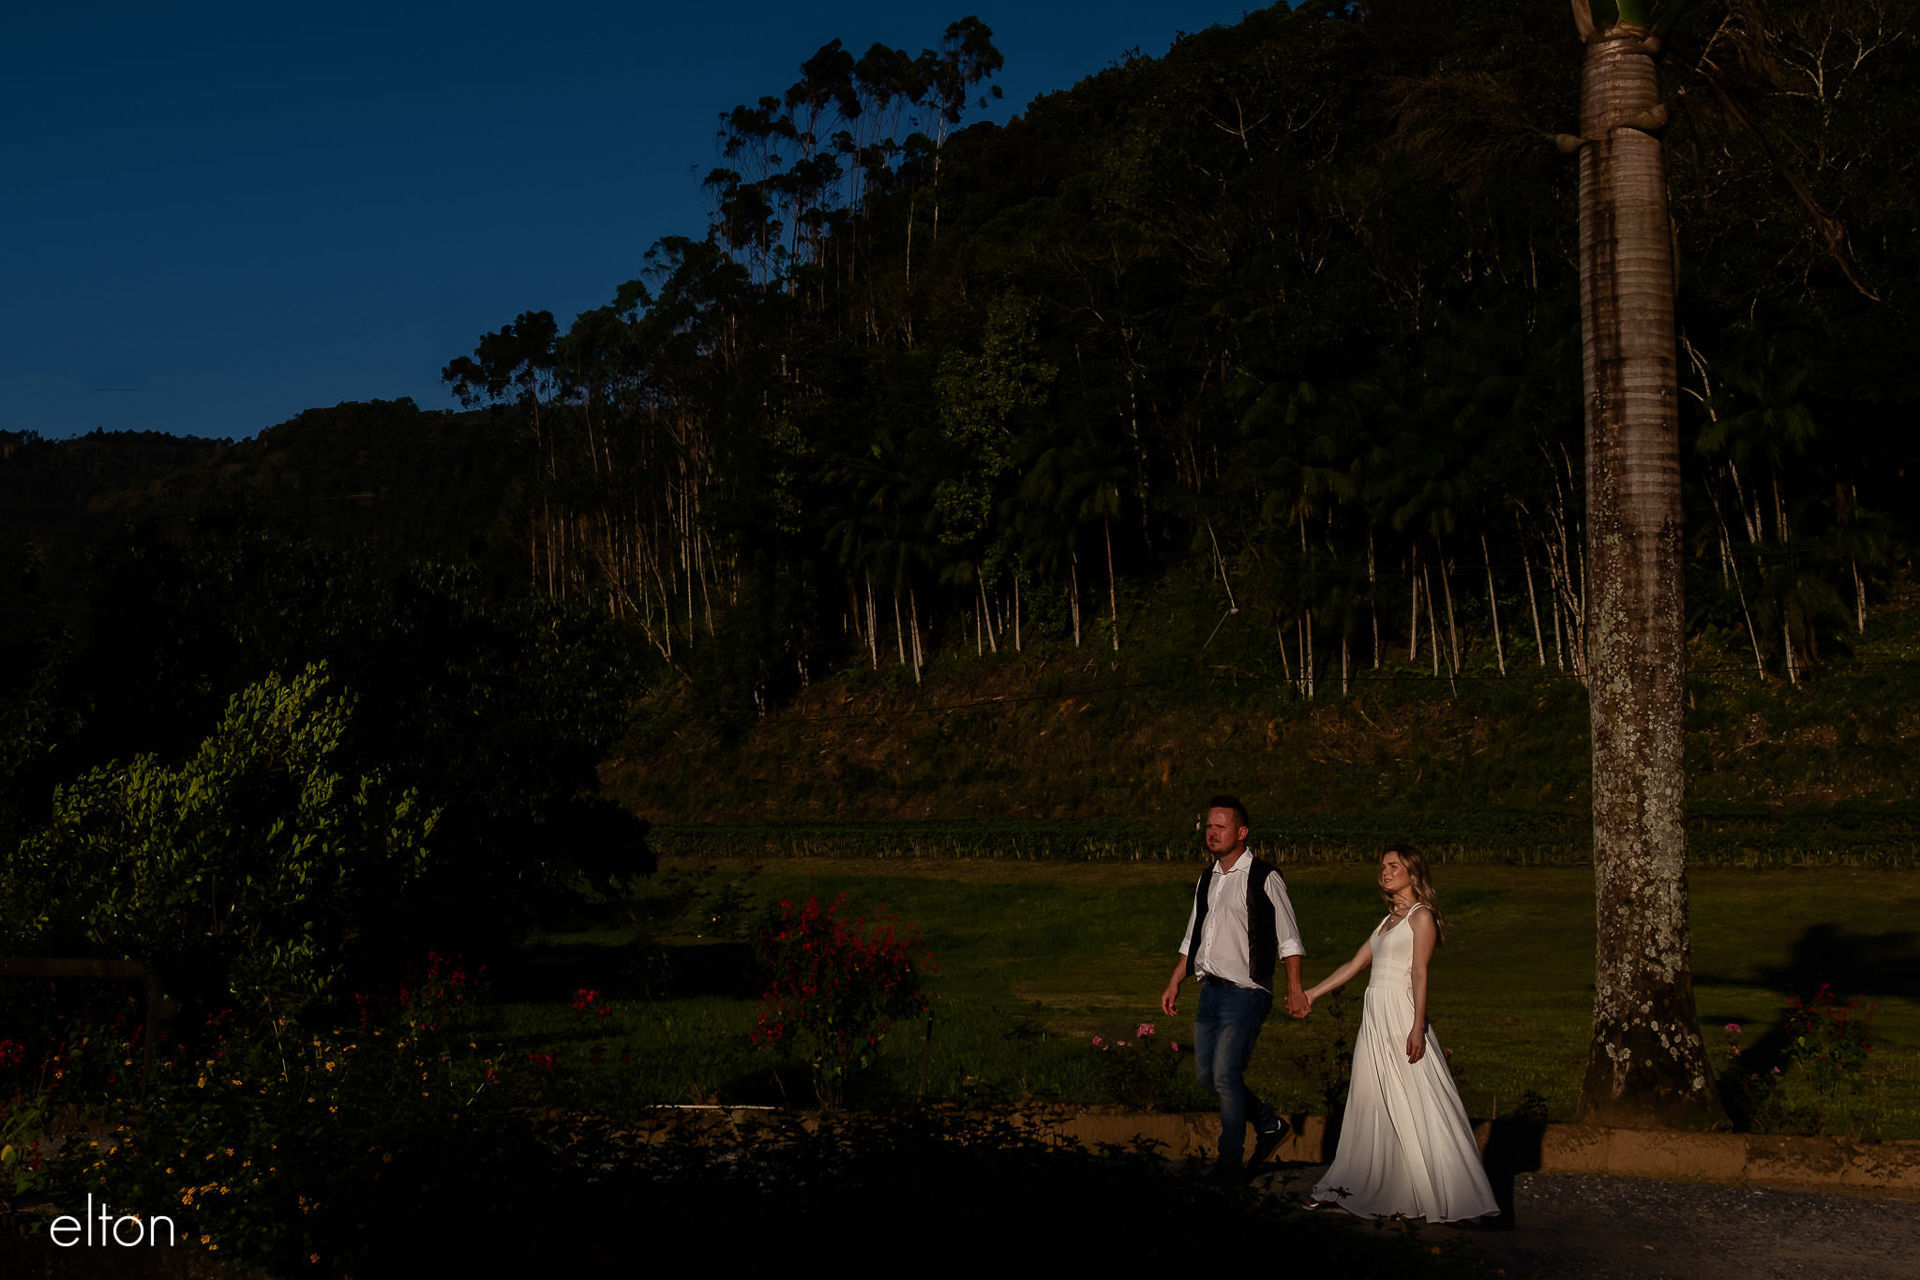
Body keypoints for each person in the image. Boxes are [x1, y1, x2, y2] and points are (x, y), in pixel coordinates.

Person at [1301, 845, 1497, 1221]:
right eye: (1382, 867)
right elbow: (1355, 964)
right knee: (1370, 1097)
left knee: (1420, 1095)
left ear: (1413, 871)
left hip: (1402, 1015)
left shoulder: (1421, 917)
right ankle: (1357, 1182)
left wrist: (1418, 1026)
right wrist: (1313, 993)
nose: (1385, 872)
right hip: (1374, 1016)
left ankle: (1458, 1194)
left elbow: (1420, 973)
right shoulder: (1386, 921)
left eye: (1394, 866)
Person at [1160, 795, 1308, 1183]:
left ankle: (1228, 1163)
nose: (1212, 832)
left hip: (1246, 991)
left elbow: (1288, 937)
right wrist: (1177, 977)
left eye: (1220, 826)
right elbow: (1195, 933)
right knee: (1207, 1076)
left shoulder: (1264, 876)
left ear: (1241, 832)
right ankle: (1267, 1122)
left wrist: (1295, 987)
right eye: (1208, 825)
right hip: (1210, 990)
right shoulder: (1207, 877)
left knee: (1226, 1073)